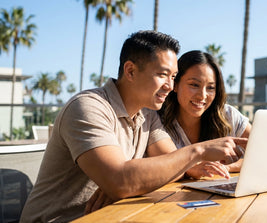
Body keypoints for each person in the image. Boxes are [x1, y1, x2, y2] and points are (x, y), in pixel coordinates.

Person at [20, 31, 246, 222]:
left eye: (174, 76)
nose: (170, 86)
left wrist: (131, 182)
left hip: (113, 215)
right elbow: (121, 181)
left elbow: (171, 162)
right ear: (130, 71)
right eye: (163, 75)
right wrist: (199, 151)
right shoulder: (87, 107)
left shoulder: (147, 114)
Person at [159, 50, 252, 179]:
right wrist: (189, 169)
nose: (202, 95)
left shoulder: (228, 115)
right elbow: (163, 166)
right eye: (194, 85)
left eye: (210, 88)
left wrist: (226, 168)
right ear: (176, 84)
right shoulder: (158, 121)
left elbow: (263, 151)